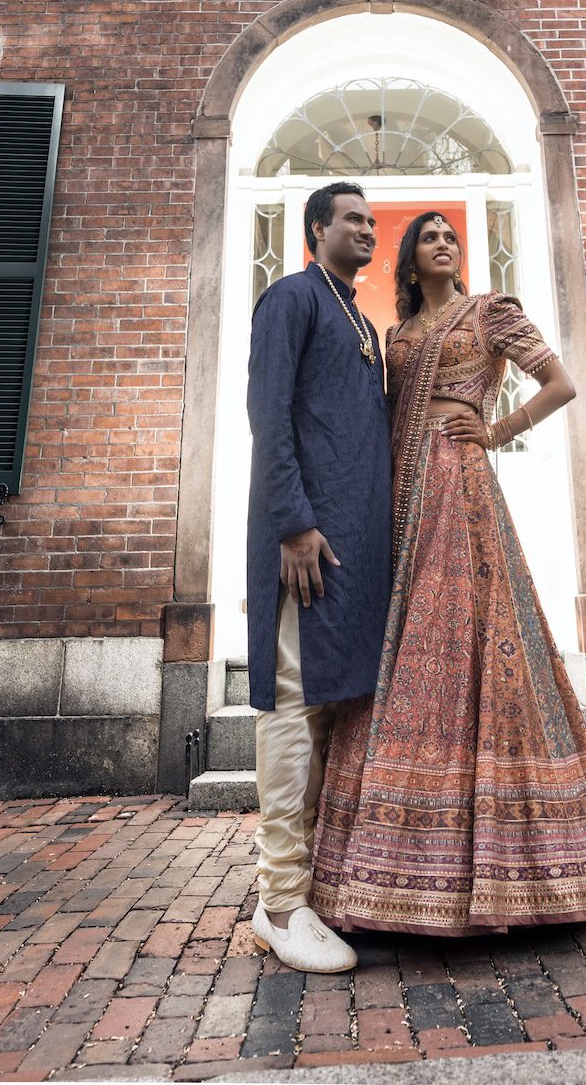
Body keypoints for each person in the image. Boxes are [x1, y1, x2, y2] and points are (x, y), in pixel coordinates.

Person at [310, 211, 586, 935]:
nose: (445, 244)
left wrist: (495, 431)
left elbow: (559, 383)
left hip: (459, 484)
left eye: (451, 236)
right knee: (402, 641)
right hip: (396, 493)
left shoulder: (492, 312)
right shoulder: (395, 336)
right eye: (430, 237)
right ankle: (383, 871)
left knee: (463, 632)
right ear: (411, 259)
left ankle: (518, 865)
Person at [243, 181, 392, 973]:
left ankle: (320, 886)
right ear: (315, 230)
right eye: (352, 219)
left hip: (358, 547)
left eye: (372, 220)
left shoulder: (362, 321)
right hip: (303, 541)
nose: (367, 229)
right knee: (293, 705)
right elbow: (268, 416)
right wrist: (293, 523)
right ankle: (280, 905)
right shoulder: (290, 300)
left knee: (336, 708)